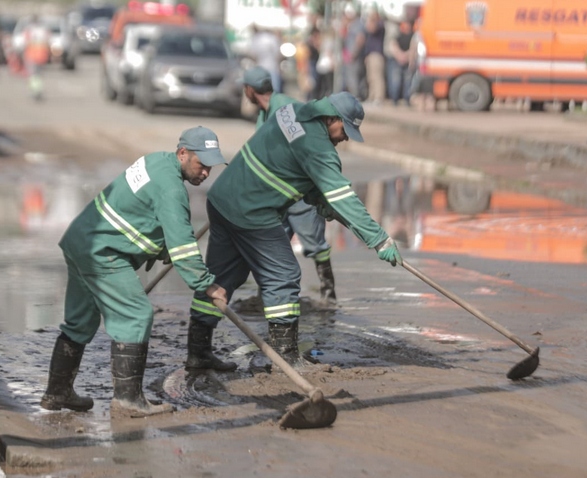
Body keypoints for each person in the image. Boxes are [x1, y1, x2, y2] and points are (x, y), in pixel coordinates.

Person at [187, 92, 402, 371]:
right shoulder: (317, 145)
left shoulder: (291, 112)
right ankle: (285, 356)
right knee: (284, 276)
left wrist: (320, 201)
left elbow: (293, 167)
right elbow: (343, 197)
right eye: (345, 129)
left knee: (219, 280)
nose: (345, 137)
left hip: (223, 200)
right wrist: (379, 239)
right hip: (252, 212)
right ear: (331, 118)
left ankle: (198, 352)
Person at [40, 126, 230, 417]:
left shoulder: (156, 161)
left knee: (80, 321)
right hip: (104, 253)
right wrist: (208, 286)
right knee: (136, 315)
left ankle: (57, 392)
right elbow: (183, 248)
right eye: (200, 164)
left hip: (82, 240)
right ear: (182, 153)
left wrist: (157, 248)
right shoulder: (172, 188)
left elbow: (141, 212)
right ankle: (128, 400)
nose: (205, 172)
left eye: (210, 166)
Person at [240, 66, 338, 303]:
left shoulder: (285, 110)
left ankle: (329, 294)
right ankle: (266, 294)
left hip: (300, 193)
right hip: (276, 196)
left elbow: (303, 148)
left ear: (250, 90)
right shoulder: (265, 113)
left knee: (314, 243)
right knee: (273, 245)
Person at [22, 16, 51, 101]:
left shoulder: (29, 30)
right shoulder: (44, 30)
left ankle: (35, 91)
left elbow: (25, 42)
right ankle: (38, 90)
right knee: (38, 74)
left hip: (31, 55)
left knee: (33, 75)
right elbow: (48, 41)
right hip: (42, 55)